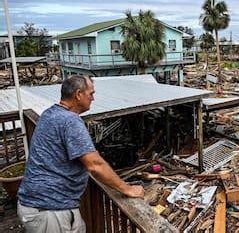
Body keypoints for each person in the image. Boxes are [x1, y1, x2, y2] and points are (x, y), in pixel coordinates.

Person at [17, 75, 145, 232]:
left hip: (42, 204)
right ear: (78, 94)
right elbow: (95, 164)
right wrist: (128, 189)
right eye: (91, 94)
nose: (93, 98)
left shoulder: (49, 114)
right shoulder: (70, 121)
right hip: (49, 207)